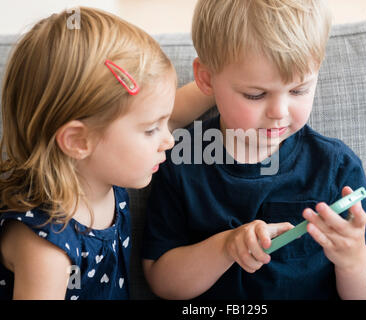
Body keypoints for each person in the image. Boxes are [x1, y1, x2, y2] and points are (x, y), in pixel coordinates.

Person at [142, 0, 366, 300]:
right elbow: (162, 282)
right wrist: (226, 247)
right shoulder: (181, 160)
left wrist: (353, 261)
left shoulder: (335, 167)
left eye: (298, 90)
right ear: (206, 79)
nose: (279, 112)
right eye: (255, 94)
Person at [0, 7, 213, 300]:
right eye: (152, 130)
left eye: (164, 124)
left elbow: (176, 108)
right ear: (78, 141)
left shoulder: (101, 166)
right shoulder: (46, 249)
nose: (168, 140)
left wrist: (232, 82)